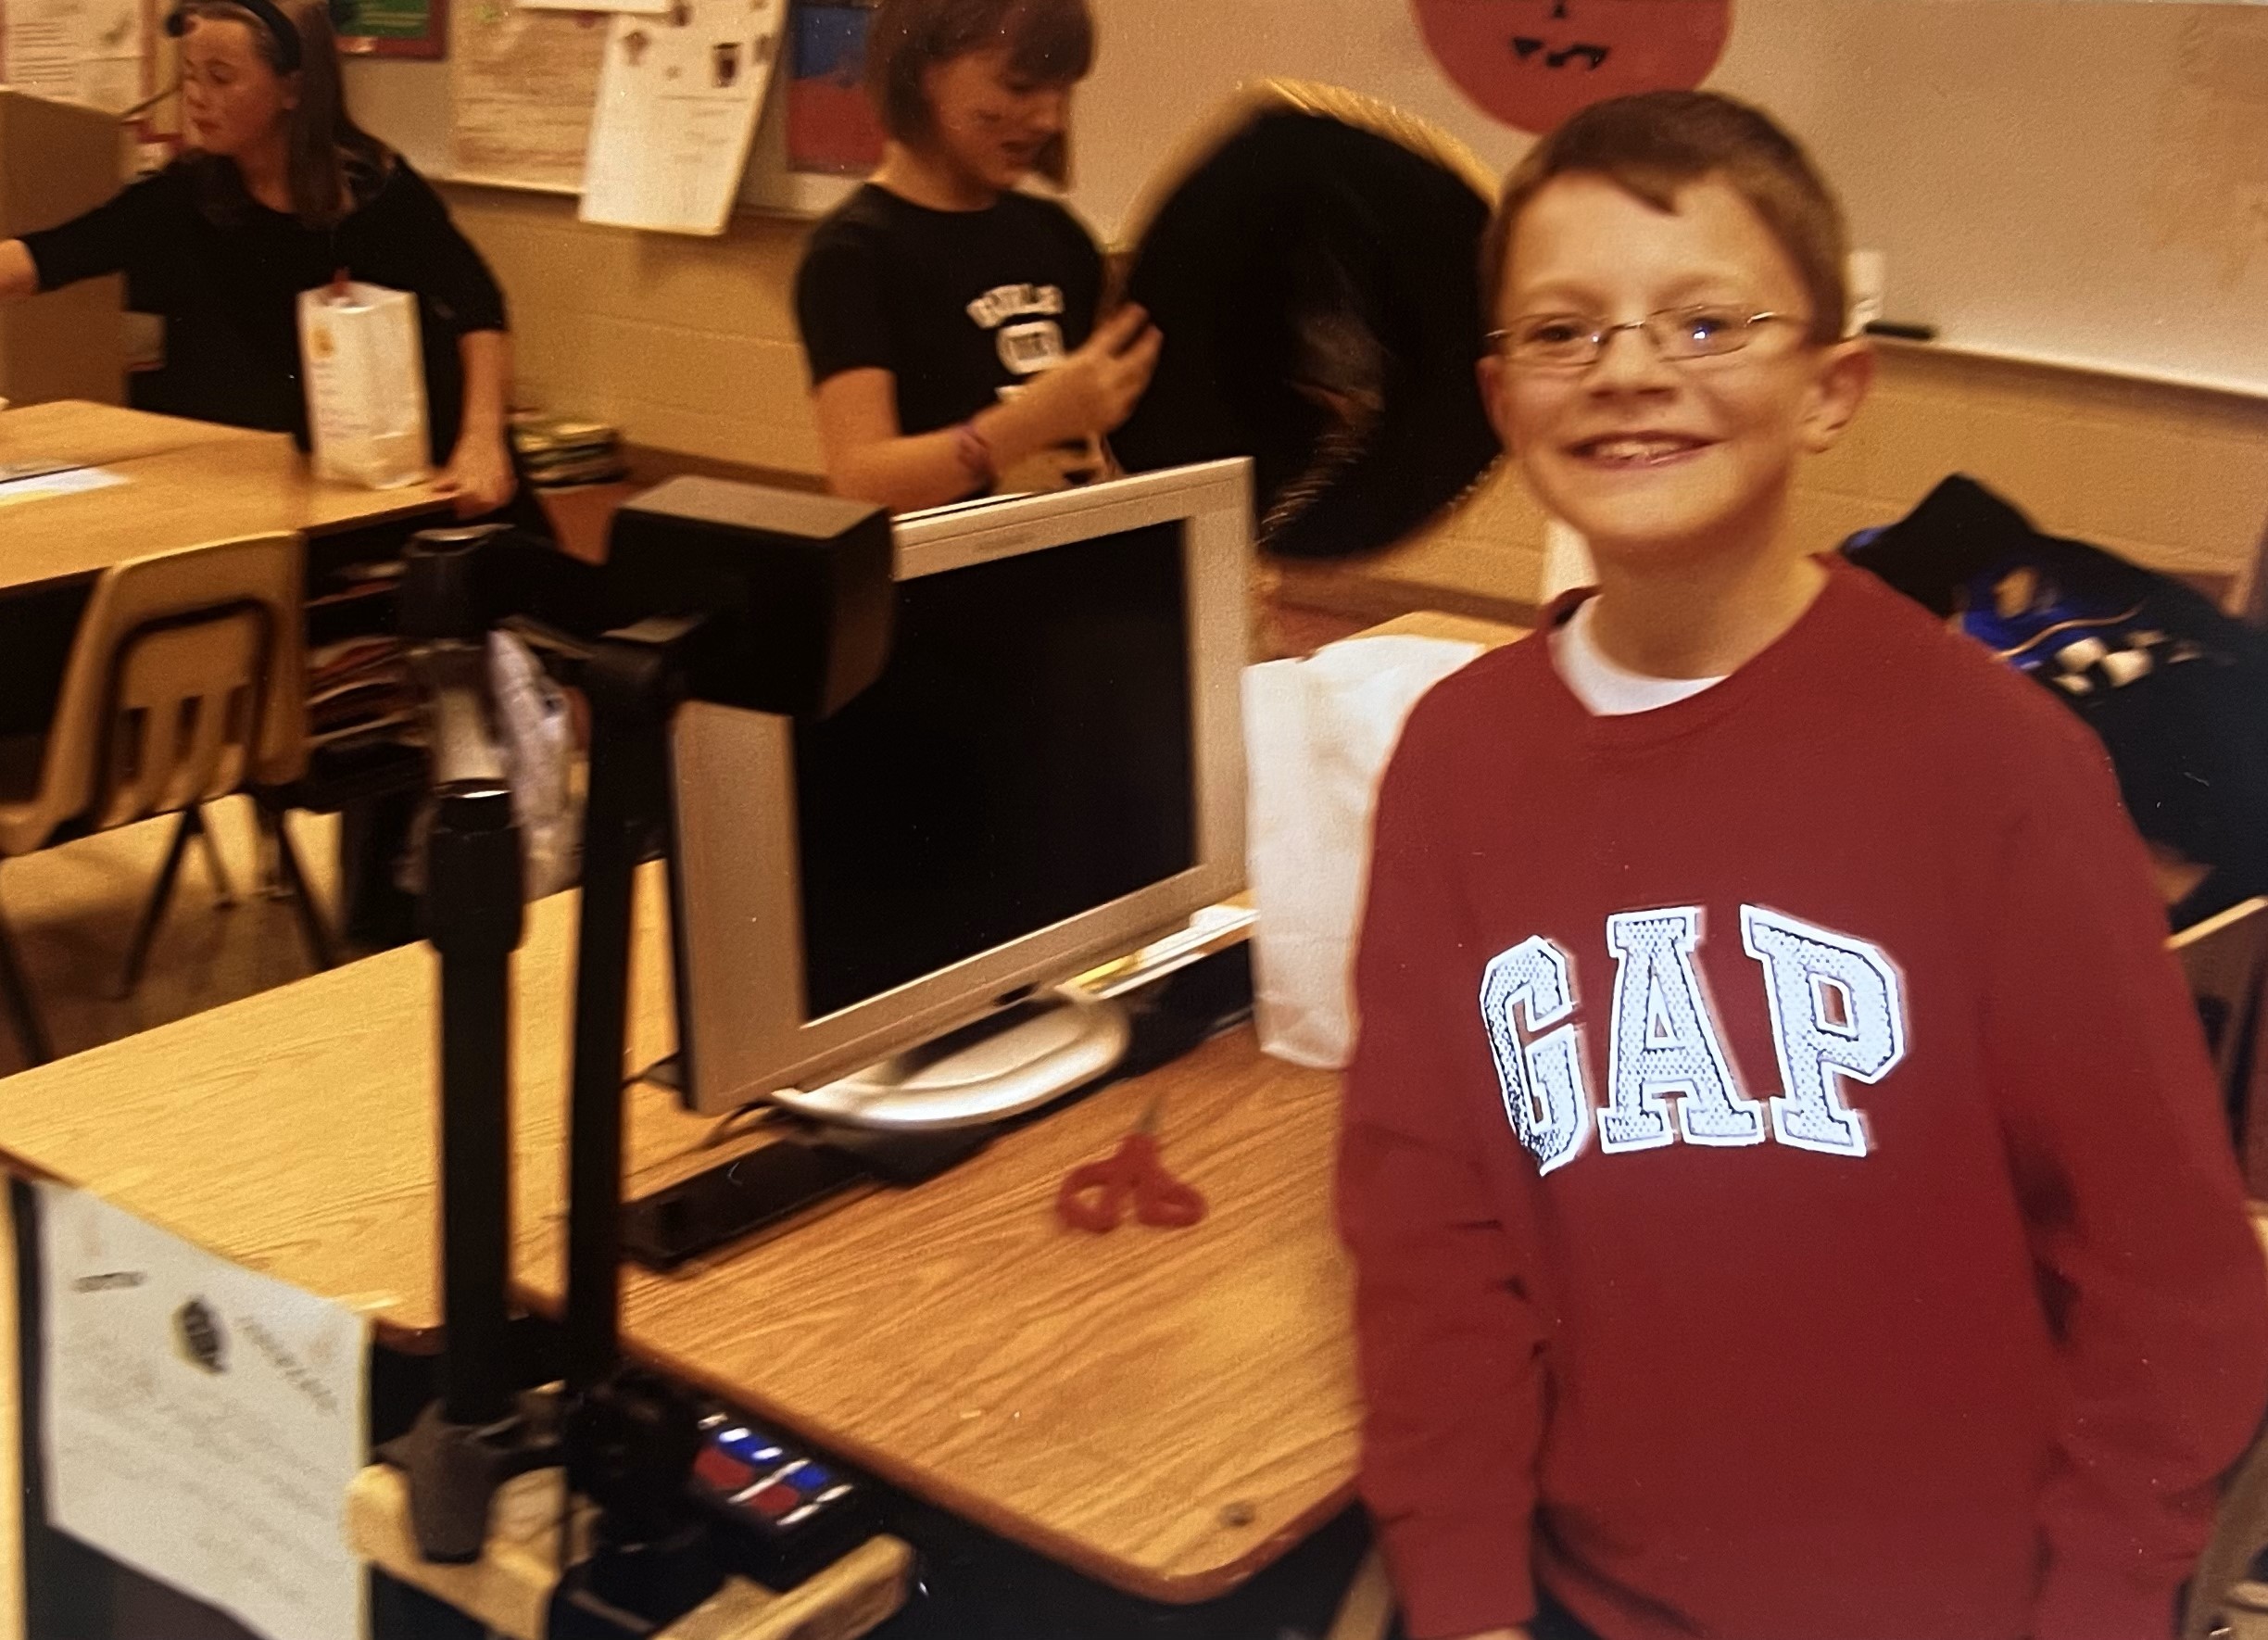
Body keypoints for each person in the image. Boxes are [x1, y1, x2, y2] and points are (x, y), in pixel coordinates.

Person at [1338, 90, 2268, 1640]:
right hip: (1588, 1598)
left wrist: (2100, 1605)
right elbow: (1428, 1237)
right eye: (1563, 331)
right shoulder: (1455, 760)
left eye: (1704, 323)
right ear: (1500, 397)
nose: (1628, 367)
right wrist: (1463, 1596)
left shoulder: (1994, 763)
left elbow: (2163, 1275)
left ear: (1833, 386)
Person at [0, 0, 523, 520]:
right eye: (190, 76)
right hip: (290, 479)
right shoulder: (191, 192)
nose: (197, 99)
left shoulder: (373, 190)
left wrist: (482, 442)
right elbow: (51, 254)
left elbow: (480, 309)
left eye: (222, 78)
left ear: (293, 88)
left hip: (420, 476)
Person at [793, 0, 1159, 512]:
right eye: (1019, 86)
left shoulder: (1058, 236)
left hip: (1064, 574)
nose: (1050, 119)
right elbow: (861, 480)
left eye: (1062, 90)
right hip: (939, 588)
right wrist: (1030, 423)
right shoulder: (854, 255)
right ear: (926, 74)